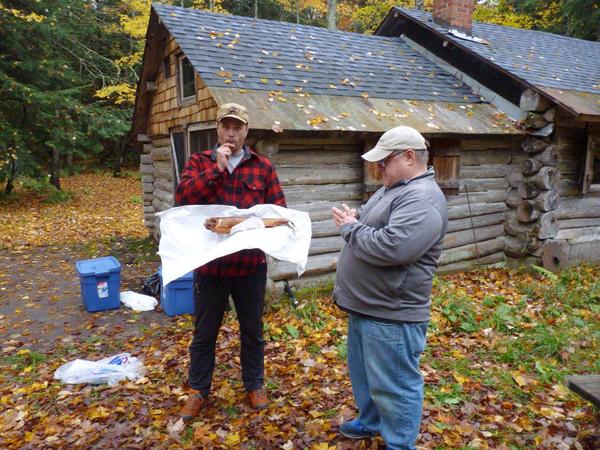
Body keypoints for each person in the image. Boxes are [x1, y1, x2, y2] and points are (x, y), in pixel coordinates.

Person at [331, 126, 448, 450]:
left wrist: (351, 229)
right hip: (369, 305)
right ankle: (370, 422)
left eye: (384, 161)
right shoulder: (394, 188)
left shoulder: (422, 198)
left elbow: (393, 248)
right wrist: (358, 217)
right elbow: (372, 221)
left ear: (409, 157)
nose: (378, 167)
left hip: (392, 313)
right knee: (366, 377)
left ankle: (399, 444)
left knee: (395, 386)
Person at [175, 103, 286, 419]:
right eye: (226, 126)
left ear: (246, 131)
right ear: (217, 128)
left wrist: (255, 226)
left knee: (252, 330)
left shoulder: (262, 167)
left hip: (249, 267)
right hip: (210, 267)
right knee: (204, 332)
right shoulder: (199, 162)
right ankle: (198, 390)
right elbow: (182, 198)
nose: (231, 132)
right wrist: (216, 169)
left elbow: (278, 211)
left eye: (237, 127)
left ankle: (254, 384)